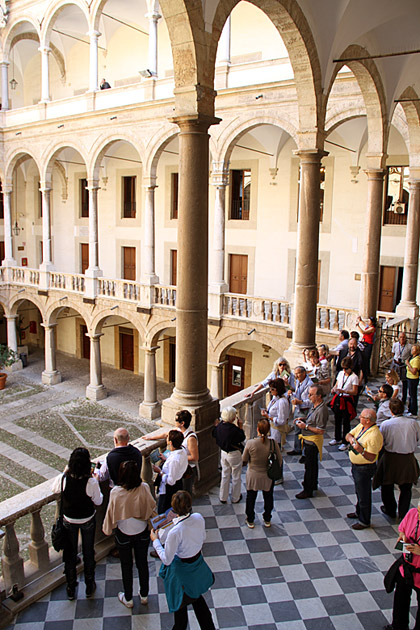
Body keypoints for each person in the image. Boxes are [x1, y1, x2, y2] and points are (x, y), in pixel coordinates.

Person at [150, 491, 216, 630]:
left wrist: (156, 542)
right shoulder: (198, 518)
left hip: (182, 572)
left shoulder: (175, 531)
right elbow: (202, 537)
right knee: (198, 600)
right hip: (197, 565)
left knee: (180, 608)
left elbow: (167, 560)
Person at [102, 460, 156, 608]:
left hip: (124, 534)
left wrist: (107, 528)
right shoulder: (144, 488)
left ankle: (128, 598)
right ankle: (144, 595)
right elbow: (152, 506)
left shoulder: (116, 492)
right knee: (142, 564)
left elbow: (110, 514)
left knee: (126, 566)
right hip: (142, 532)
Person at [52, 447, 103, 600]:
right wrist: (97, 481)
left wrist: (65, 471)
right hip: (87, 520)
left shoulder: (64, 479)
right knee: (88, 553)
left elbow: (54, 489)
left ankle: (71, 587)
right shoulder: (91, 482)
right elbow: (98, 501)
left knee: (70, 554)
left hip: (69, 520)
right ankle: (89, 585)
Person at [373, 398, 420, 521]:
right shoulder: (413, 423)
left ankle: (390, 509)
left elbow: (382, 441)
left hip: (391, 457)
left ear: (391, 410)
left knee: (387, 485)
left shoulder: (386, 424)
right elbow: (417, 438)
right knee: (406, 488)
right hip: (408, 457)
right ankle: (403, 513)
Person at [143, 410, 199, 496]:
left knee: (185, 494)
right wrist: (150, 437)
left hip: (187, 469)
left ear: (182, 423)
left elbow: (195, 457)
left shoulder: (191, 438)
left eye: (176, 420)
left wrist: (180, 457)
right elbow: (166, 434)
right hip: (179, 467)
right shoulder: (178, 430)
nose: (174, 422)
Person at [345, 408, 383, 530]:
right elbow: (348, 435)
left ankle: (364, 520)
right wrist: (352, 440)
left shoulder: (374, 435)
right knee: (358, 490)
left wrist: (361, 451)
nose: (359, 418)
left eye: (361, 416)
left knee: (364, 493)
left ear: (367, 420)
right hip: (356, 466)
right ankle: (359, 511)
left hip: (365, 468)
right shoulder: (361, 426)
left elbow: (372, 457)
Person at [385, 501, 420, 630]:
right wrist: (403, 537)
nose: (419, 514)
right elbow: (402, 529)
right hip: (406, 569)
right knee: (400, 601)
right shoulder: (412, 514)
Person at [242, 418, 282, 528]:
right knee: (268, 497)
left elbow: (244, 459)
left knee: (251, 498)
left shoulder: (251, 443)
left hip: (253, 475)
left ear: (257, 429)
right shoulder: (273, 443)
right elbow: (280, 460)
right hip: (267, 475)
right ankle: (267, 518)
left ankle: (250, 519)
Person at [294, 385, 329, 499]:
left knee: (309, 466)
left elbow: (320, 430)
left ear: (319, 396)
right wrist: (303, 420)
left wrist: (305, 426)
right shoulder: (315, 406)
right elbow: (312, 419)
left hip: (312, 441)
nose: (308, 396)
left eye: (311, 394)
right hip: (308, 440)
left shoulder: (322, 410)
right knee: (312, 465)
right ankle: (312, 484)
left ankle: (308, 489)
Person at [212, 406, 245, 504]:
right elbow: (241, 437)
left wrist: (216, 426)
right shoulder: (234, 429)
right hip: (234, 454)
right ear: (233, 418)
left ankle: (223, 497)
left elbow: (214, 433)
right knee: (236, 475)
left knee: (225, 474)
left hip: (223, 453)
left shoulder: (220, 427)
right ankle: (235, 497)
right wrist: (240, 427)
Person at [153, 429, 188, 514]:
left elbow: (170, 481)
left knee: (164, 511)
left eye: (167, 439)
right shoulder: (182, 450)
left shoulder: (174, 460)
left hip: (169, 489)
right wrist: (167, 458)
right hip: (178, 483)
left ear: (171, 443)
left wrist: (160, 472)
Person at [329, 356, 358, 450]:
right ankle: (337, 438)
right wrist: (334, 389)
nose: (344, 370)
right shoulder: (341, 373)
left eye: (346, 368)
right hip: (339, 397)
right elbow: (337, 384)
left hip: (347, 399)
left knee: (346, 421)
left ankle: (345, 441)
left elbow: (355, 392)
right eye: (343, 368)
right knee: (337, 419)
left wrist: (345, 391)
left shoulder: (354, 377)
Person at [287, 366, 313, 456]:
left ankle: (305, 454)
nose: (296, 375)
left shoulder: (309, 385)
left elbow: (311, 401)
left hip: (305, 410)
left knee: (305, 432)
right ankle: (297, 449)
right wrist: (292, 394)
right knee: (297, 430)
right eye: (295, 373)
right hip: (298, 409)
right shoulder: (298, 381)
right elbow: (298, 393)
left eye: (298, 373)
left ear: (304, 373)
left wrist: (299, 402)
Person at [391, 331, 412, 405]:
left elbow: (410, 355)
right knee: (392, 380)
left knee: (404, 382)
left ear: (405, 338)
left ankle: (403, 399)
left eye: (403, 337)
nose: (402, 339)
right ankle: (392, 397)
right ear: (398, 338)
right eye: (400, 337)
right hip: (396, 364)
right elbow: (393, 353)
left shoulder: (409, 346)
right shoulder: (395, 345)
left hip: (403, 365)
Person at [356, 315, 377, 382]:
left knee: (366, 360)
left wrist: (358, 326)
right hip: (365, 343)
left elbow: (364, 332)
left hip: (368, 345)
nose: (368, 322)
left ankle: (366, 375)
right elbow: (365, 324)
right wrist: (360, 320)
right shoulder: (369, 326)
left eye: (369, 321)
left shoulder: (372, 328)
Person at [405, 344, 420, 417]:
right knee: (411, 394)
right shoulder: (412, 357)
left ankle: (413, 411)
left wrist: (408, 364)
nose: (411, 350)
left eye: (413, 349)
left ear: (417, 351)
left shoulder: (417, 359)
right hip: (410, 378)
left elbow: (414, 371)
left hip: (413, 379)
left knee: (413, 395)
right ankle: (410, 409)